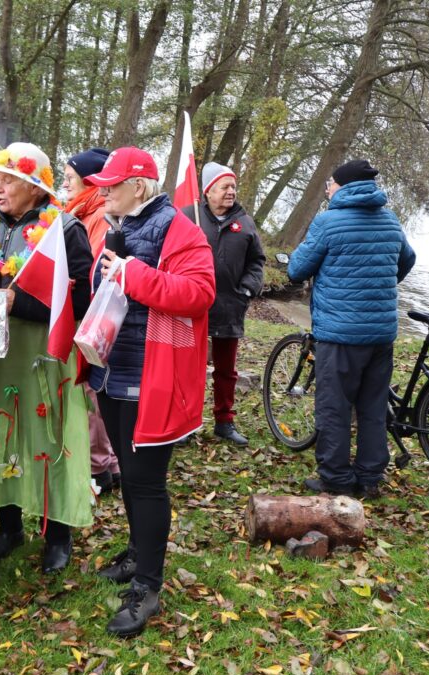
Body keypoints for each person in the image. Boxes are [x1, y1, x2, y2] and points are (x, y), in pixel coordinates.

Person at [84, 147, 215, 637]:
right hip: (114, 372)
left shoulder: (182, 230)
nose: (104, 192)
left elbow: (199, 294)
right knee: (128, 473)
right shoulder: (119, 227)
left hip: (152, 377)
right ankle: (138, 553)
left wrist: (131, 273)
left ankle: (148, 586)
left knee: (144, 482)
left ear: (139, 186)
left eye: (112, 185)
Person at [0, 142, 93, 575]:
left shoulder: (64, 228)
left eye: (7, 180)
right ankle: (10, 525)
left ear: (35, 188)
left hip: (43, 354)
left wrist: (21, 304)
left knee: (48, 438)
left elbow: (81, 299)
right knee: (2, 431)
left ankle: (57, 536)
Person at [288, 159, 416, 499]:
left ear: (342, 186)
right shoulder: (390, 221)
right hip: (380, 335)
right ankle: (370, 478)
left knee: (334, 407)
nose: (327, 188)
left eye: (330, 183)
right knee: (373, 407)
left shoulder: (328, 222)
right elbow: (406, 261)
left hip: (340, 335)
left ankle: (336, 478)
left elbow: (298, 269)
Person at [183, 162, 265, 446]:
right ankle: (186, 423)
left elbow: (257, 261)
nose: (231, 192)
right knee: (189, 368)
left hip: (230, 305)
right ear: (208, 191)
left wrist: (247, 290)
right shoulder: (188, 217)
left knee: (226, 370)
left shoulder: (245, 222)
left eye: (233, 186)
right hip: (193, 306)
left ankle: (224, 421)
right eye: (224, 187)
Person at [62, 147, 120, 493]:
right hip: (91, 315)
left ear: (89, 182)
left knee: (91, 390)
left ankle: (99, 467)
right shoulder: (82, 211)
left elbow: (93, 269)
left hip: (93, 316)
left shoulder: (96, 217)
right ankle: (108, 464)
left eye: (71, 178)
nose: (65, 184)